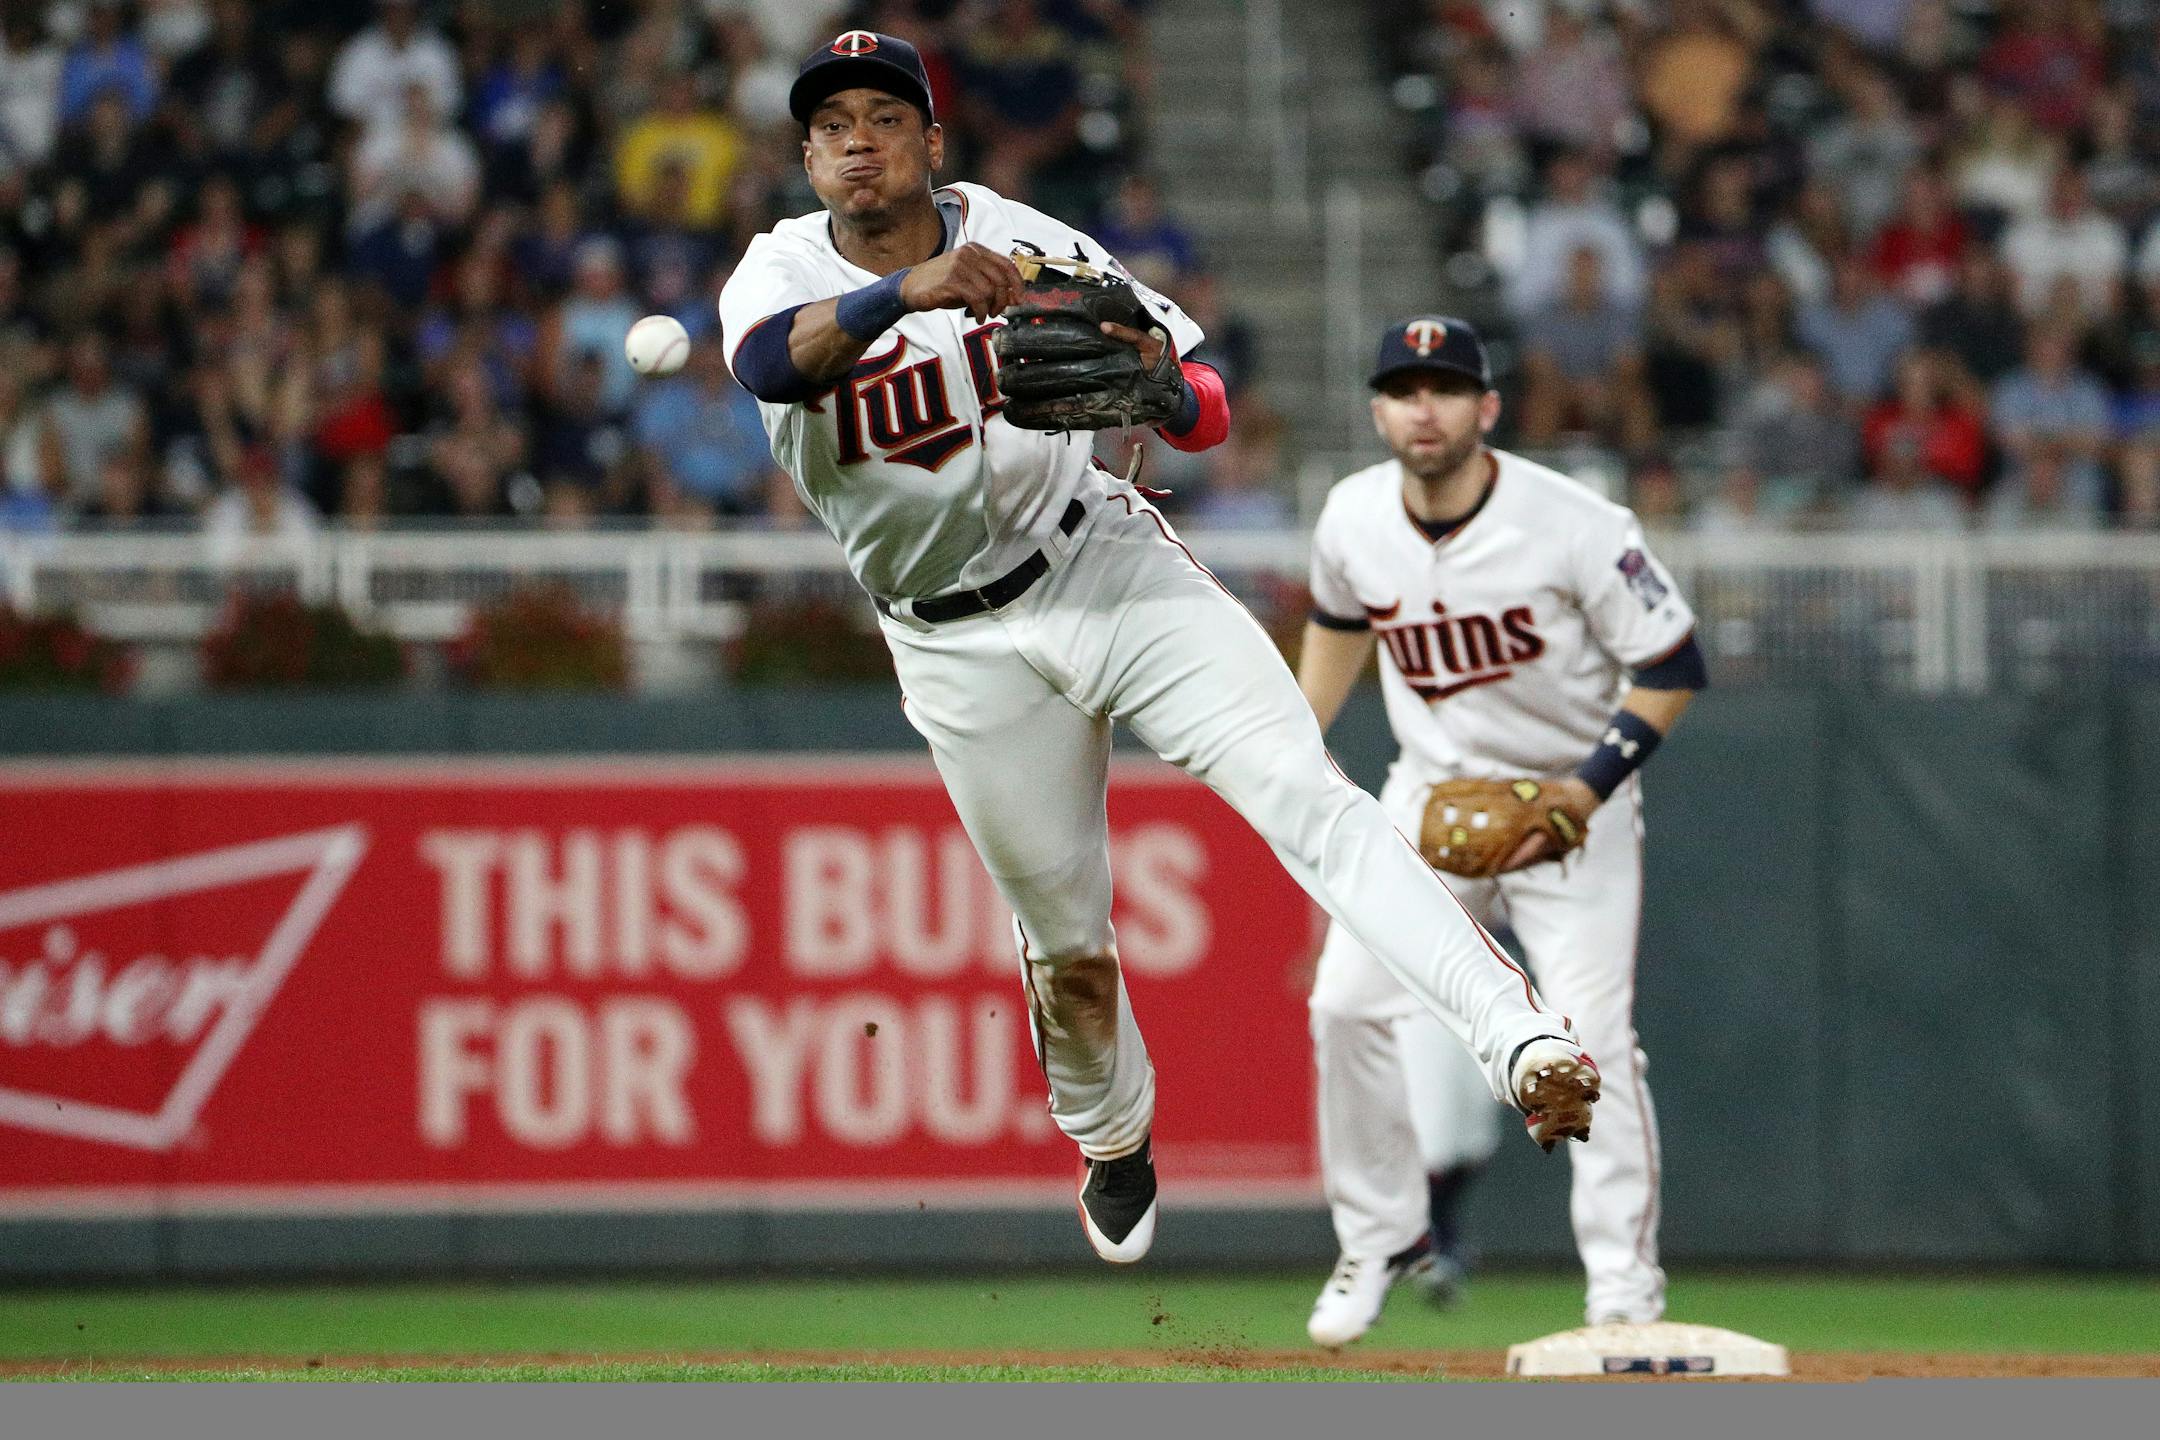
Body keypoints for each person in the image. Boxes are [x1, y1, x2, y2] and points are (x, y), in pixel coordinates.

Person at [718, 31, 1601, 1265]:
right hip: (951, 641)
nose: (857, 141)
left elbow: (1205, 403)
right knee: (1068, 946)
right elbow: (770, 363)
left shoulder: (1031, 243)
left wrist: (1164, 391)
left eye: (884, 117)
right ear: (809, 158)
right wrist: (904, 294)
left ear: (932, 142)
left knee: (1308, 795)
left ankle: (1523, 1041)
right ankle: (1112, 1133)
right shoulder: (779, 272)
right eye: (831, 126)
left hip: (1099, 560)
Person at [1297, 316, 1703, 1346]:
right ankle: (1381, 1236)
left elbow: (1671, 663)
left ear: (1486, 408)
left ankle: (1622, 1295)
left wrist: (1587, 790)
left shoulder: (1575, 523)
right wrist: (1290, 748)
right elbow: (1339, 631)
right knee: (1344, 1007)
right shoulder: (1351, 516)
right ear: (1379, 412)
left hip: (1571, 809)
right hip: (1428, 798)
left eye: (1443, 388)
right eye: (1402, 390)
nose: (1422, 408)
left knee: (1593, 1042)